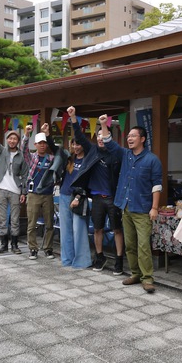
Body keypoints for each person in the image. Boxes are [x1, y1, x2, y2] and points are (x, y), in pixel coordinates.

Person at [99, 115, 162, 293]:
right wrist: (104, 124)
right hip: (125, 206)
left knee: (143, 245)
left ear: (142, 139)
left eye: (133, 136)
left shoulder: (152, 160)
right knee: (130, 244)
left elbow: (157, 185)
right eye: (128, 136)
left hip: (143, 208)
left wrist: (155, 208)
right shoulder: (125, 155)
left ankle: (147, 278)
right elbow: (109, 143)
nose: (129, 138)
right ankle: (135, 274)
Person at [68, 106, 124, 274]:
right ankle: (100, 257)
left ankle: (119, 260)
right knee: (98, 229)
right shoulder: (92, 150)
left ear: (109, 138)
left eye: (104, 135)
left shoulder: (116, 154)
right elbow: (78, 136)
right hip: (97, 197)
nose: (101, 138)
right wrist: (73, 117)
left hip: (113, 198)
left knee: (117, 230)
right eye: (98, 135)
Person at [0, 119, 28, 255]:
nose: (12, 141)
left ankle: (15, 244)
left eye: (15, 139)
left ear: (18, 141)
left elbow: (24, 175)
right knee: (2, 218)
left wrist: (23, 192)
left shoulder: (21, 156)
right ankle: (3, 244)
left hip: (15, 190)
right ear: (7, 140)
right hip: (1, 189)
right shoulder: (2, 151)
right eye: (10, 138)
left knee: (15, 219)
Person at [22, 123, 59, 260]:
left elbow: (59, 154)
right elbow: (23, 149)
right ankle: (32, 248)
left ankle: (48, 249)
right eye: (40, 143)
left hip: (48, 194)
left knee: (49, 223)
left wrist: (47, 133)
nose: (42, 145)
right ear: (36, 144)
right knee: (31, 224)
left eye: (44, 143)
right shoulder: (31, 158)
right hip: (33, 195)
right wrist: (26, 134)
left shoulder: (51, 158)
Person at [57, 135, 91, 268]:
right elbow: (54, 149)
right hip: (64, 195)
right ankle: (67, 260)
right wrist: (47, 135)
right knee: (65, 231)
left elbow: (87, 182)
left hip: (78, 198)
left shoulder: (88, 160)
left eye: (78, 144)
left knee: (79, 230)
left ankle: (82, 261)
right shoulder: (69, 159)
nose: (76, 147)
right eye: (74, 144)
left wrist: (77, 197)